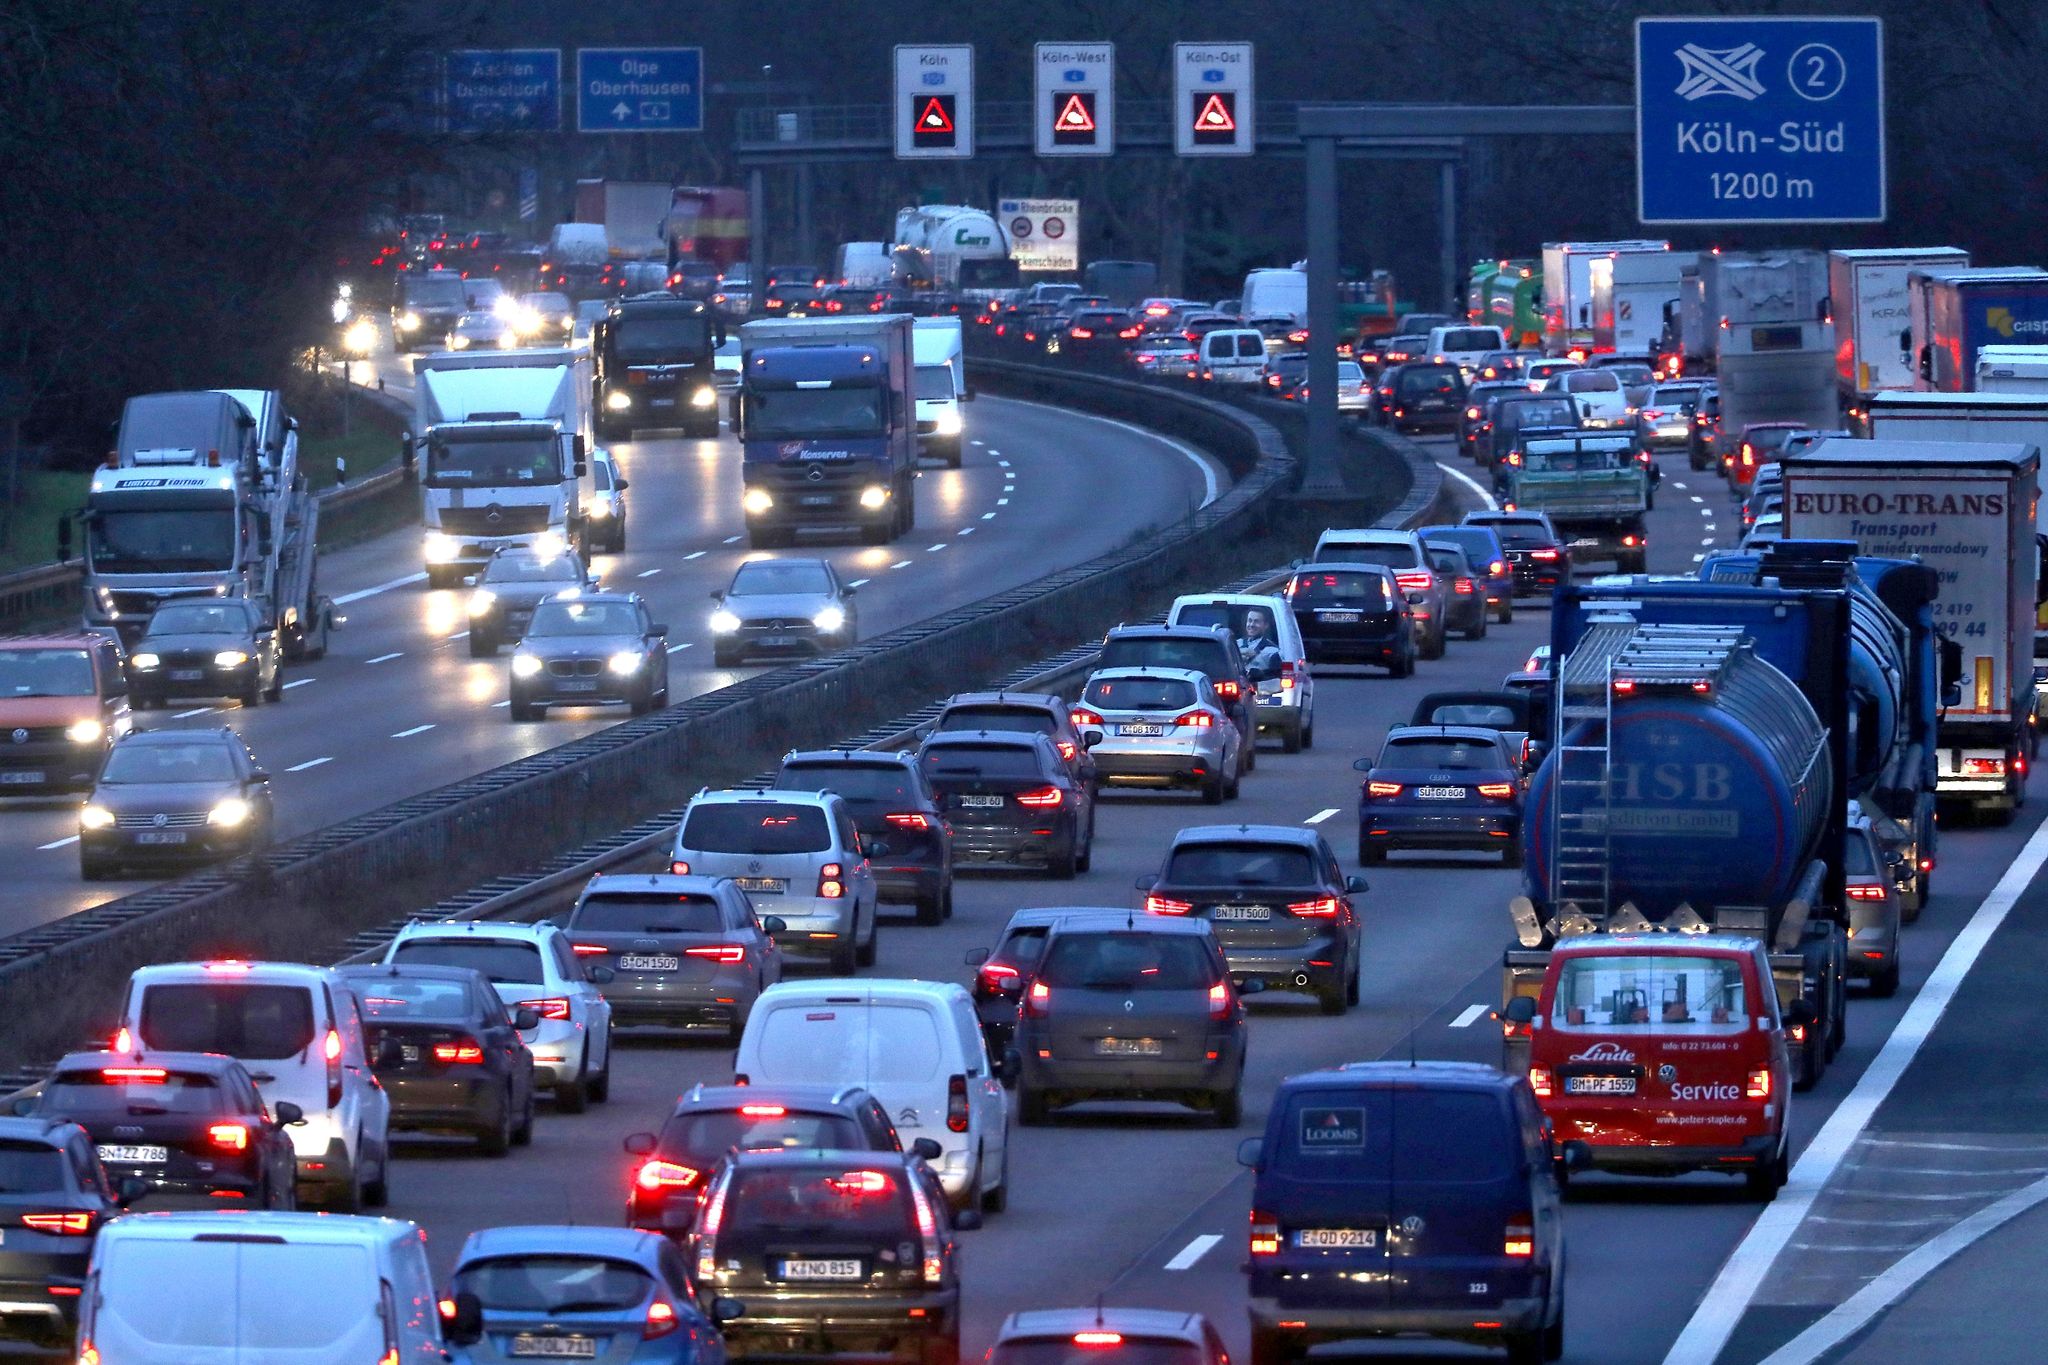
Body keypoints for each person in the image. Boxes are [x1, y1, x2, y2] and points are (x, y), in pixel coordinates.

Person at [1236, 608, 1281, 680]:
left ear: (1266, 625)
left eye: (1256, 622)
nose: (1251, 625)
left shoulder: (1273, 651)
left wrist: (1260, 675)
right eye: (1249, 620)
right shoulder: (1236, 644)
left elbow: (1276, 679)